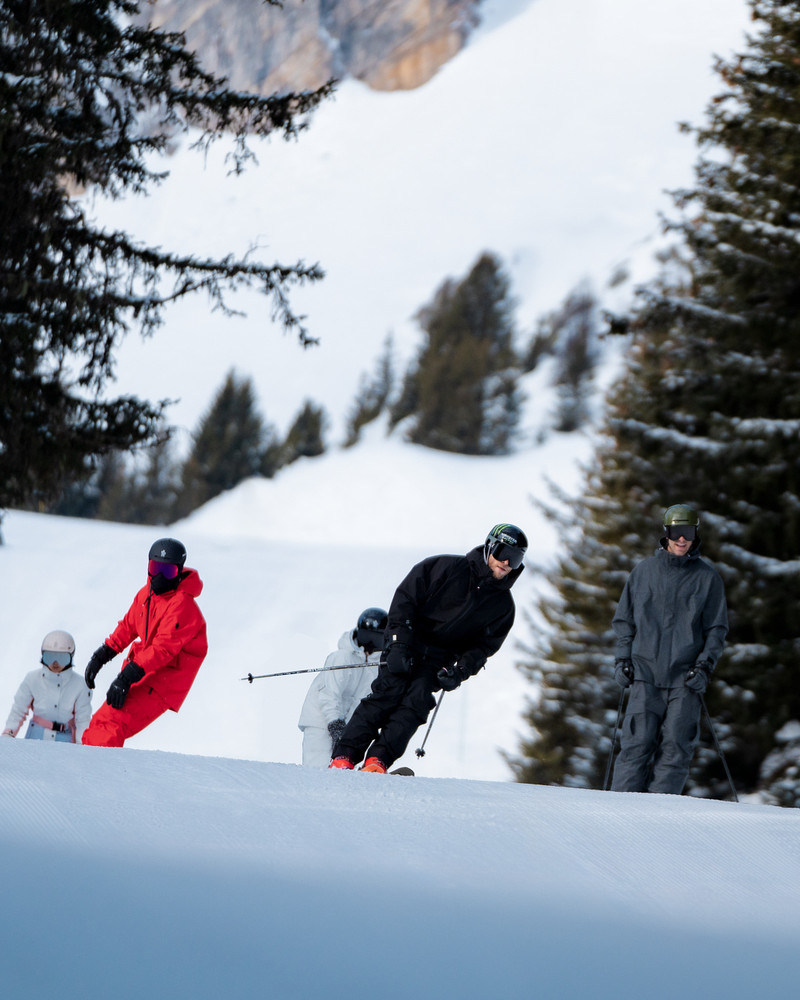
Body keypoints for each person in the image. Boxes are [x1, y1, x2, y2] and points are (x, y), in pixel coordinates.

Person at [329, 523, 527, 773]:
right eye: (502, 552)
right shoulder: (445, 568)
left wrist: (459, 671)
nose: (507, 562)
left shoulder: (502, 607)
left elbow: (482, 647)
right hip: (408, 642)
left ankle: (377, 761)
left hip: (438, 660)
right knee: (388, 693)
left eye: (516, 558)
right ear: (489, 546)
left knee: (416, 702)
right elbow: (405, 600)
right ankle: (344, 756)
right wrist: (398, 642)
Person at [610, 504, 729, 795]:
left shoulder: (707, 578)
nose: (682, 539)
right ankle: (616, 813)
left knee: (677, 749)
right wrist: (622, 660)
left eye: (688, 532)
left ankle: (658, 817)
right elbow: (624, 620)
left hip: (684, 679)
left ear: (695, 534)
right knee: (635, 747)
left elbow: (717, 629)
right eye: (677, 532)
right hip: (645, 674)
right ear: (666, 533)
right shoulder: (643, 573)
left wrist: (704, 667)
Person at [81, 537, 208, 747]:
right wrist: (101, 656)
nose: (159, 576)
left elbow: (162, 650)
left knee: (113, 724)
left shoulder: (182, 605)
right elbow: (128, 626)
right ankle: (84, 763)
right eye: (155, 567)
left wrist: (124, 679)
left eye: (168, 572)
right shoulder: (146, 593)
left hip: (165, 679)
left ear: (178, 572)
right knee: (101, 720)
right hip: (145, 669)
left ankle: (96, 773)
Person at [298, 607, 388, 767]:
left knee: (338, 769)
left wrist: (351, 729)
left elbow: (363, 702)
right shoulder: (342, 657)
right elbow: (329, 694)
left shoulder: (376, 668)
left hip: (344, 726)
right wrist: (335, 724)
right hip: (320, 722)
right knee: (317, 768)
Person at [2, 630, 92, 743]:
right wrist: (8, 735)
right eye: (49, 657)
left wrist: (83, 747)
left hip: (65, 741)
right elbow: (18, 711)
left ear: (71, 656)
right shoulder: (32, 678)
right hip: (35, 738)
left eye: (62, 658)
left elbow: (83, 720)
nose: (55, 663)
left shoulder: (80, 684)